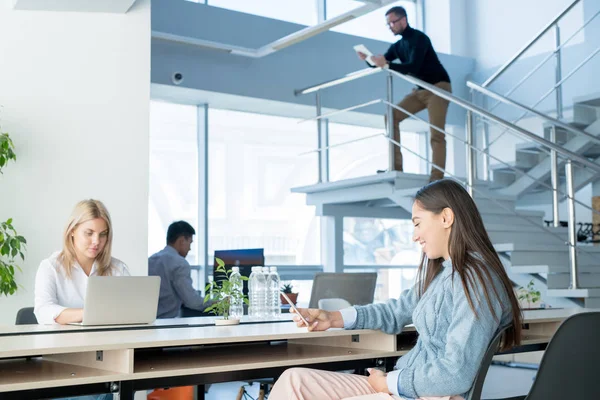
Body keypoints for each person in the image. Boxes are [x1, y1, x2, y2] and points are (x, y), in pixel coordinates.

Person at [269, 179, 523, 400]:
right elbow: (395, 311)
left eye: (417, 223)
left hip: (429, 394)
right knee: (294, 381)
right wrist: (333, 318)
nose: (415, 236)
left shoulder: (476, 280)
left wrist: (389, 383)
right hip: (404, 388)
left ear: (446, 218)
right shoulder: (444, 274)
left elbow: (456, 374)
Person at [358, 6, 452, 182]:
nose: (391, 26)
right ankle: (396, 166)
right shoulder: (398, 45)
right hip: (420, 89)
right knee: (391, 116)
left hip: (438, 88)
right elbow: (384, 62)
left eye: (393, 22)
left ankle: (436, 178)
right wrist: (369, 60)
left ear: (403, 20)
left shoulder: (420, 39)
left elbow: (412, 67)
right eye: (388, 24)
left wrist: (385, 64)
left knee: (436, 134)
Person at [34, 199, 130, 326]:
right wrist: (88, 314)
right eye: (89, 233)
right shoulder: (50, 267)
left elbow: (129, 311)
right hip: (62, 343)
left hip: (106, 342)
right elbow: (43, 311)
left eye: (103, 234)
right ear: (72, 230)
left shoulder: (118, 269)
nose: (96, 241)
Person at [148, 220, 210, 318]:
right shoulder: (179, 263)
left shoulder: (151, 260)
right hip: (169, 324)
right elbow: (192, 302)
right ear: (182, 241)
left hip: (151, 321)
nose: (189, 249)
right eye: (190, 243)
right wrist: (218, 303)